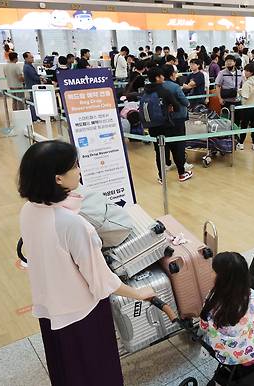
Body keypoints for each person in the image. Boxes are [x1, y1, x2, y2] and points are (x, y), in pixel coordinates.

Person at [18, 140, 156, 386]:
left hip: (49, 308)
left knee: (66, 371)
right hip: (82, 314)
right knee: (96, 373)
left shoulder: (28, 210)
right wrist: (139, 293)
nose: (79, 171)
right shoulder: (73, 224)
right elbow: (102, 282)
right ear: (58, 179)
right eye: (74, 167)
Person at [199, 252, 254, 366]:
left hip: (218, 348)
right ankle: (251, 358)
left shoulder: (212, 297)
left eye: (214, 271)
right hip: (243, 351)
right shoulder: (252, 299)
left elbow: (204, 325)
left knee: (251, 322)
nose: (211, 273)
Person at [143, 67, 191, 183]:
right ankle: (181, 174)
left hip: (153, 127)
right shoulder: (165, 91)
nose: (163, 78)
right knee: (177, 149)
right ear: (157, 78)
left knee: (159, 151)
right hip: (168, 125)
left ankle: (161, 177)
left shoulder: (146, 91)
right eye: (161, 76)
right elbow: (178, 106)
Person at [161, 65, 193, 177]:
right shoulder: (174, 87)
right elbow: (184, 101)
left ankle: (167, 163)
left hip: (164, 118)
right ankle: (182, 166)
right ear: (171, 74)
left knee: (167, 143)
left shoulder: (159, 86)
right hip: (178, 117)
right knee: (179, 143)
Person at [238, 62, 254, 150]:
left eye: (247, 71)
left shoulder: (247, 83)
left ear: (251, 72)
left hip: (247, 107)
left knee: (244, 125)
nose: (245, 72)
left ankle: (241, 143)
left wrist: (239, 93)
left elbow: (245, 97)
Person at [22, 51, 41, 121]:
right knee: (33, 102)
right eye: (31, 57)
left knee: (35, 102)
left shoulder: (29, 66)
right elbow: (34, 77)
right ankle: (34, 118)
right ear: (26, 58)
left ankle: (36, 116)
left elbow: (35, 75)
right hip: (32, 86)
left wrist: (40, 77)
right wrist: (40, 78)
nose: (33, 58)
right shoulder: (27, 67)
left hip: (33, 86)